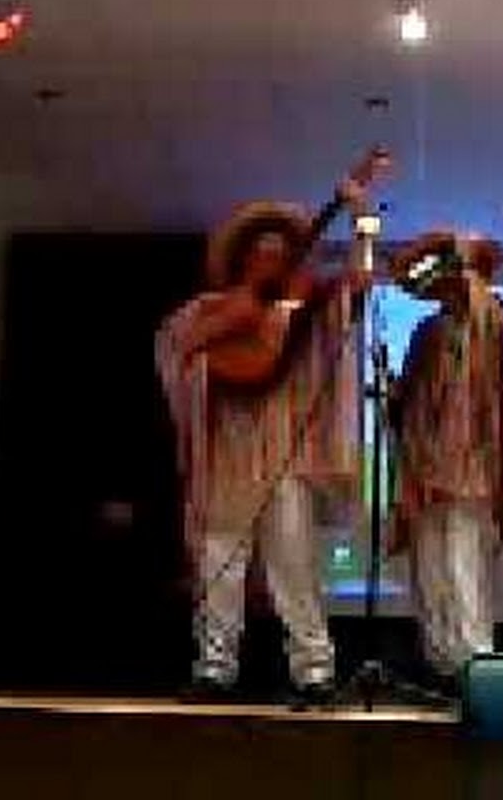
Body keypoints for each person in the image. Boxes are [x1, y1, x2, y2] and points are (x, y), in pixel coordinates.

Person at [156, 190, 368, 706]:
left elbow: (355, 291)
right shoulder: (210, 309)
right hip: (226, 457)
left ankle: (314, 671)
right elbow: (176, 351)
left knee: (294, 565)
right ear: (243, 257)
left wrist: (362, 224)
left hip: (284, 458)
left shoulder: (304, 312)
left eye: (280, 252)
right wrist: (237, 319)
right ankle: (215, 668)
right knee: (219, 563)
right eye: (261, 250)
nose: (271, 259)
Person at [388, 232, 503, 692]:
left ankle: (478, 666)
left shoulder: (492, 314)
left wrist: (457, 251)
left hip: (470, 465)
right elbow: (407, 395)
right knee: (430, 573)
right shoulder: (427, 330)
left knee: (466, 566)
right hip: (425, 464)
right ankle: (443, 667)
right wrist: (395, 396)